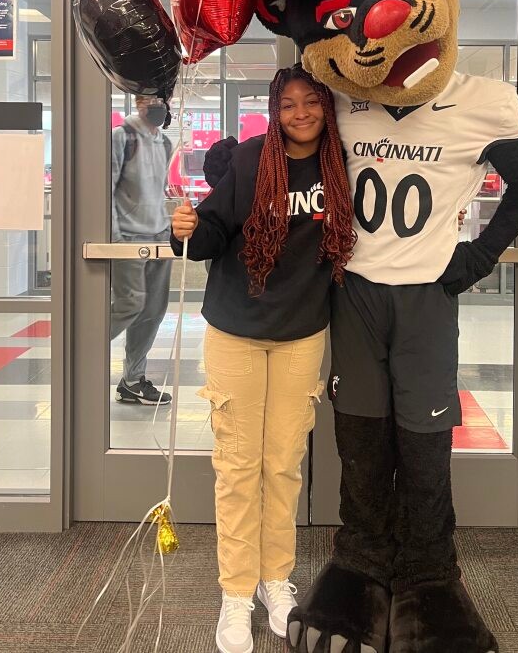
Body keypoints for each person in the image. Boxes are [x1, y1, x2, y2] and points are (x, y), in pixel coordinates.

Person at [170, 65, 355, 653]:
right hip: (237, 331)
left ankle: (276, 580)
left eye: (310, 103)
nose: (299, 113)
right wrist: (186, 228)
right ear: (275, 112)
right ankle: (235, 593)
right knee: (238, 468)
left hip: (302, 335)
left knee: (282, 467)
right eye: (288, 105)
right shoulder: (252, 160)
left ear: (327, 107)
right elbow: (212, 233)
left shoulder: (341, 166)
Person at [110, 95, 174, 405]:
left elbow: (157, 190)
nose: (158, 104)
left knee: (153, 311)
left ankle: (133, 381)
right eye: (150, 98)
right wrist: (115, 240)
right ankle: (78, 356)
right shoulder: (121, 137)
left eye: (162, 98)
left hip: (160, 237)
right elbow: (104, 191)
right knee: (129, 306)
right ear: (137, 102)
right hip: (129, 240)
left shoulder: (164, 143)